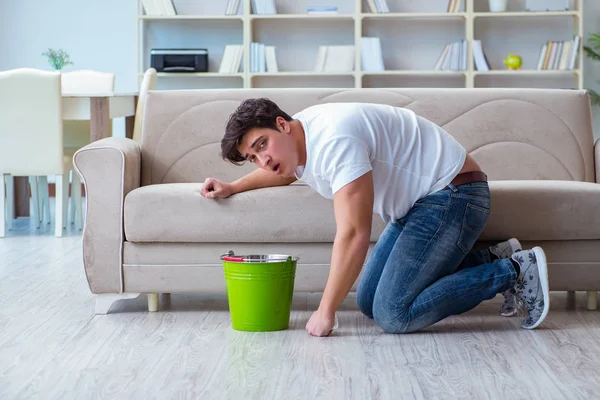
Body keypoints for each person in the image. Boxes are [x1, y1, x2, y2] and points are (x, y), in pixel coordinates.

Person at [200, 98, 549, 337]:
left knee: (395, 314)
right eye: (252, 157)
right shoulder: (298, 138)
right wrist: (233, 186)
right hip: (417, 207)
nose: (263, 160)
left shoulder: (335, 139)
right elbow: (285, 170)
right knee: (368, 302)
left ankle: (514, 271)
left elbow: (353, 232)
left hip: (454, 195)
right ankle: (494, 257)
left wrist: (325, 311)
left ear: (282, 125)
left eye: (262, 145)